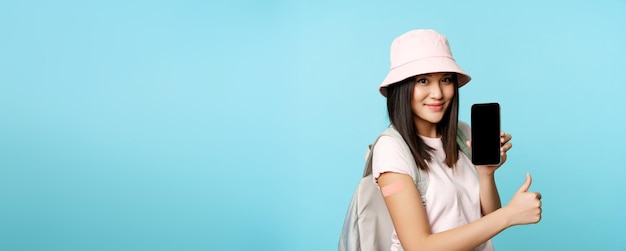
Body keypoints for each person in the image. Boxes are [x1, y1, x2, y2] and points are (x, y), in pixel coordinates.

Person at [372, 29, 542, 251]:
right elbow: (419, 246)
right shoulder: (391, 148)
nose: (438, 93)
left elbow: (487, 215)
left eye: (445, 80)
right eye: (423, 81)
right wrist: (509, 215)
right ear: (401, 88)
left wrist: (486, 174)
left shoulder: (462, 133)